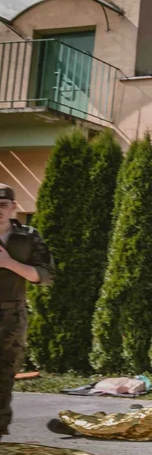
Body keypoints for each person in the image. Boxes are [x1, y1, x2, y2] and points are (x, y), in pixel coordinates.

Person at [0, 184, 55, 439]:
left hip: (11, 316)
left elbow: (44, 275)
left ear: (13, 207)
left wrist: (8, 263)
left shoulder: (29, 236)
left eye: (2, 205)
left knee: (4, 377)